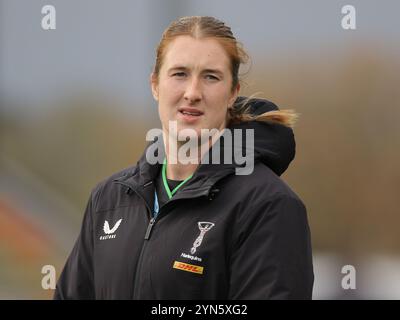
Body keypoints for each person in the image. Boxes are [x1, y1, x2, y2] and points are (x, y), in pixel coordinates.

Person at [54, 16, 313, 300]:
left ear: (232, 93)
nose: (192, 93)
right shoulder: (108, 200)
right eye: (179, 74)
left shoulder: (268, 205)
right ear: (155, 84)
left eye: (211, 77)